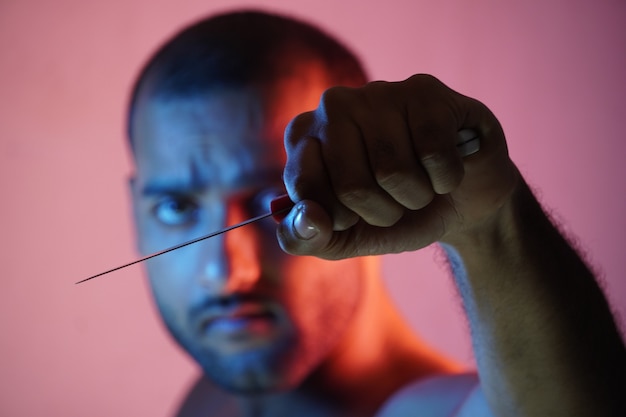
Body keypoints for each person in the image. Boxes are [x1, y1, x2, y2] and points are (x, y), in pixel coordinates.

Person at [126, 9, 625, 417]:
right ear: (135, 210)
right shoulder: (210, 402)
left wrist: (489, 221)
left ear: (358, 180)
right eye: (176, 206)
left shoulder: (439, 410)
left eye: (273, 199)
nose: (228, 272)